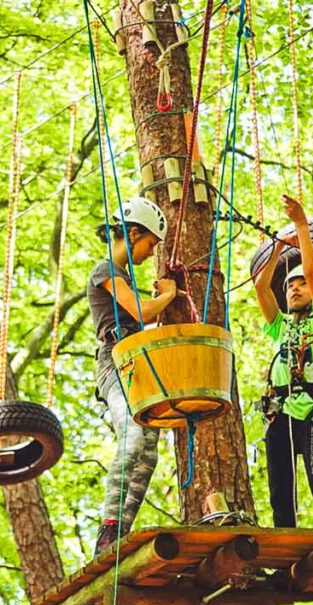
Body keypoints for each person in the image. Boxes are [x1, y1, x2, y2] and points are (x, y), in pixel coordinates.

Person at [86, 196, 178, 556]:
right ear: (135, 233)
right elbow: (140, 309)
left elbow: (140, 316)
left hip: (135, 361)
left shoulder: (123, 277)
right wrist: (167, 295)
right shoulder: (105, 269)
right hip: (114, 361)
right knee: (133, 439)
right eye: (150, 244)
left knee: (150, 451)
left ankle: (122, 530)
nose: (149, 252)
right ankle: (109, 530)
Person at [252, 195, 313, 529]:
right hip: (279, 412)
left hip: (312, 410)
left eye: (302, 285)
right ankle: (285, 544)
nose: (294, 289)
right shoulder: (280, 327)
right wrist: (279, 247)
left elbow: (310, 268)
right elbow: (261, 287)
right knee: (281, 489)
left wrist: (302, 226)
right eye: (290, 286)